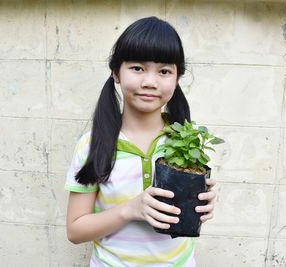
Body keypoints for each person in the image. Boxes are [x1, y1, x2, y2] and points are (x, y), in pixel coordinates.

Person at [65, 16, 216, 266]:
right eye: (137, 68)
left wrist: (203, 205)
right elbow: (75, 230)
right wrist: (131, 210)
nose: (150, 82)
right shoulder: (93, 145)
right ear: (116, 72)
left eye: (164, 71)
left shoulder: (187, 140)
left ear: (177, 78)